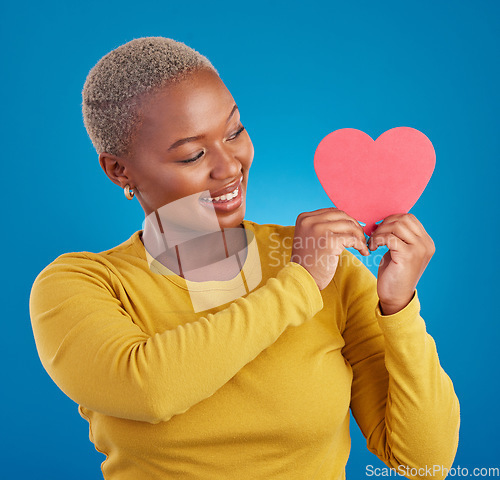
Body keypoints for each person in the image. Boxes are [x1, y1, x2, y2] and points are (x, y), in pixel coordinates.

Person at [29, 37, 460, 480]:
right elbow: (149, 390)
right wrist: (299, 285)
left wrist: (399, 307)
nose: (229, 166)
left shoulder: (325, 264)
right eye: (193, 154)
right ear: (119, 170)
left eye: (234, 132)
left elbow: (424, 462)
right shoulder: (82, 283)